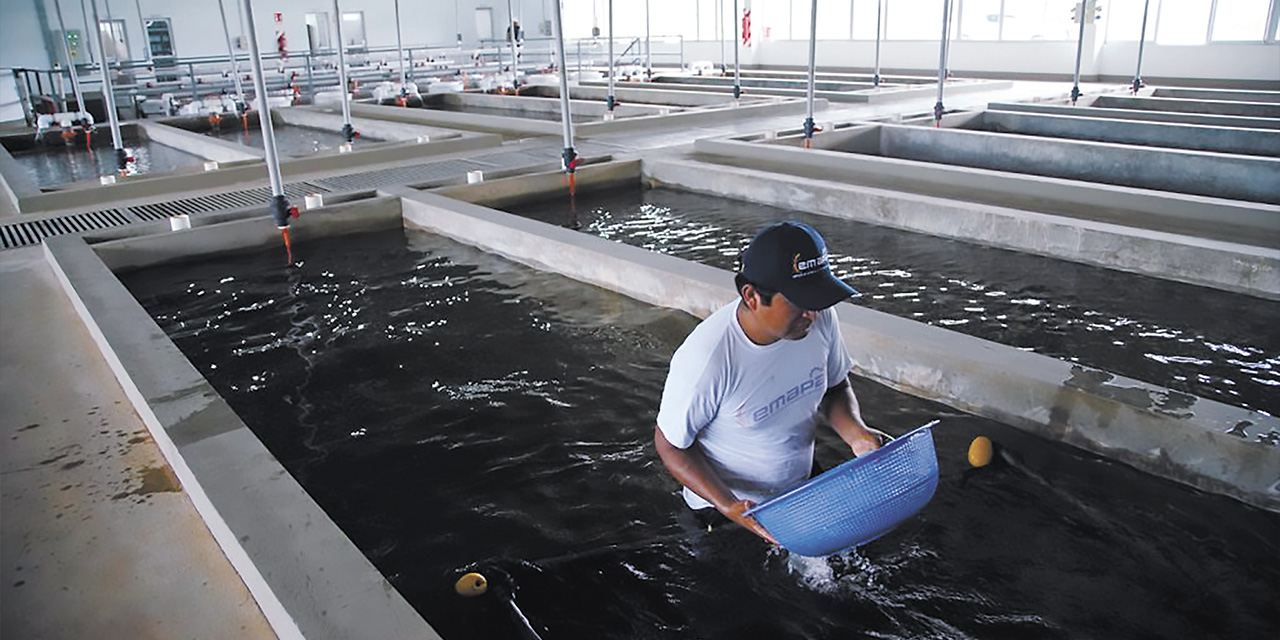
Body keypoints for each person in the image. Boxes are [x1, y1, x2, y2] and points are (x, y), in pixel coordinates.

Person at [654, 221, 882, 543]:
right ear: (751, 296)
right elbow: (670, 445)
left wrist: (856, 434)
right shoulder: (709, 358)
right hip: (726, 513)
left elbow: (834, 387)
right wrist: (729, 505)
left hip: (799, 488)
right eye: (800, 301)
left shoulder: (818, 319)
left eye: (816, 298)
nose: (812, 314)